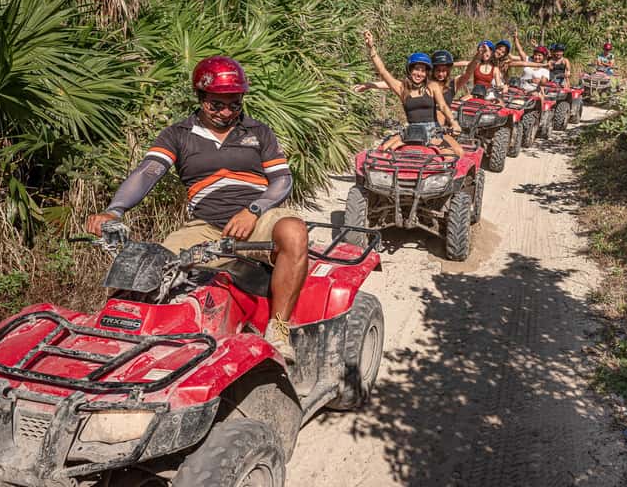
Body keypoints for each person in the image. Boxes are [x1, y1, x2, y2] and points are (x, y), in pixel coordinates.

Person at [86, 56, 308, 363]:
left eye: (234, 104)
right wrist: (115, 210)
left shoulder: (259, 132)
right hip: (205, 225)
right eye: (216, 105)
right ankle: (117, 346)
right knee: (147, 272)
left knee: (294, 231)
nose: (226, 112)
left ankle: (279, 330)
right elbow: (148, 172)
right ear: (200, 98)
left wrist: (253, 210)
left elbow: (282, 181)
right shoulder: (177, 134)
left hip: (257, 219)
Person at [359, 30, 463, 156]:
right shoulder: (402, 88)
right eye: (416, 69)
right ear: (410, 70)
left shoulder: (432, 86)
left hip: (433, 131)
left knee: (455, 154)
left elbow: (443, 106)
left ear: (426, 73)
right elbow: (383, 72)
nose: (419, 74)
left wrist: (453, 122)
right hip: (411, 131)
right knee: (383, 151)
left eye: (423, 71)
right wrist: (371, 48)